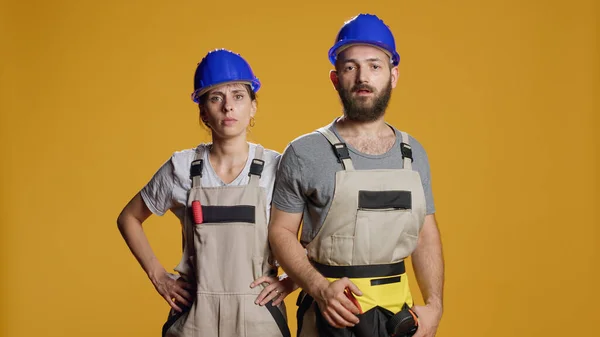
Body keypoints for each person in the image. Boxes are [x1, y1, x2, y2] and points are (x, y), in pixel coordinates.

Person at [268, 14, 444, 337]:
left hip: (398, 320)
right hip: (329, 317)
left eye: (375, 66)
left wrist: (434, 305)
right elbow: (280, 233)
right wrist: (320, 289)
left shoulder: (414, 154)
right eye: (351, 67)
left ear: (393, 76)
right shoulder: (304, 152)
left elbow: (425, 234)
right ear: (336, 79)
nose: (363, 77)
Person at [117, 49, 294, 337]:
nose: (228, 107)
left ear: (253, 107)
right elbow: (128, 218)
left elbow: (317, 233)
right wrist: (159, 277)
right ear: (203, 111)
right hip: (196, 319)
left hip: (258, 317)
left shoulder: (278, 167)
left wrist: (291, 281)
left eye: (238, 96)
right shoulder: (182, 167)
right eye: (216, 97)